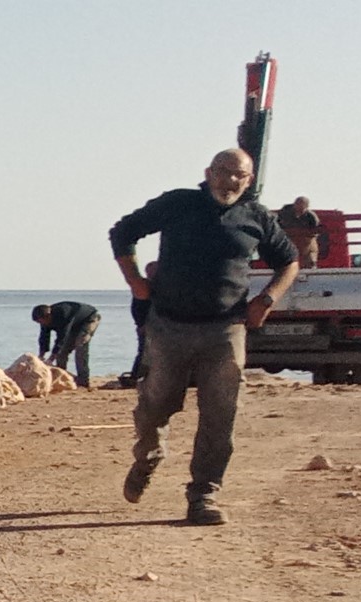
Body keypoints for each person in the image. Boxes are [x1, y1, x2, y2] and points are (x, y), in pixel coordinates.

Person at [107, 147, 300, 526]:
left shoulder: (256, 216)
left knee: (220, 415)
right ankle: (147, 459)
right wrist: (135, 281)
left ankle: (203, 495)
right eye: (224, 171)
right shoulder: (178, 203)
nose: (231, 180)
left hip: (225, 329)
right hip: (170, 326)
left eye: (240, 175)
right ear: (209, 172)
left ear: (249, 180)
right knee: (155, 407)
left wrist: (267, 300)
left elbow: (289, 261)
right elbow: (122, 233)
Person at [31, 300, 102, 386]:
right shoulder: (44, 321)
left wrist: (51, 359)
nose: (41, 324)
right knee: (61, 352)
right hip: (74, 323)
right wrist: (41, 356)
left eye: (41, 321)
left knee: (80, 345)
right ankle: (61, 376)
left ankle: (83, 380)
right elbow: (44, 337)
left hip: (89, 318)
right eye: (38, 322)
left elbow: (62, 337)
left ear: (48, 316)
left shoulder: (63, 314)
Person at [274, 196, 324, 266]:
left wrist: (304, 234)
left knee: (310, 255)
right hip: (288, 238)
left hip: (305, 241)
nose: (298, 209)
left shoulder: (311, 217)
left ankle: (309, 265)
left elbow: (317, 230)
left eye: (302, 208)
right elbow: (276, 224)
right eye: (297, 204)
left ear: (307, 207)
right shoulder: (285, 212)